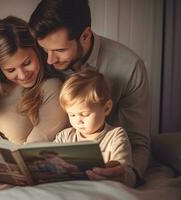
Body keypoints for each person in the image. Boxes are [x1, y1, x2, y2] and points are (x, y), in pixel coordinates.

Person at [28, 0, 150, 185]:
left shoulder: (129, 67)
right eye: (45, 50)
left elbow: (138, 142)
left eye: (59, 50)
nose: (50, 60)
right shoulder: (40, 59)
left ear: (85, 35)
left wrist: (128, 174)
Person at [0, 16, 68, 192]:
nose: (22, 75)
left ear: (37, 50)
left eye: (27, 63)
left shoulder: (51, 88)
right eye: (10, 70)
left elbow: (32, 157)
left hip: (14, 180)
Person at [54, 69, 136, 187]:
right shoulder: (64, 136)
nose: (78, 120)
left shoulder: (115, 135)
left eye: (84, 114)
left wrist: (119, 175)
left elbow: (127, 173)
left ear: (106, 108)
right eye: (72, 115)